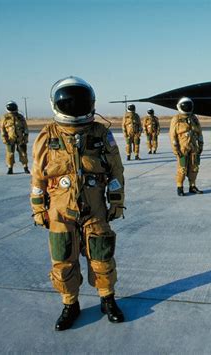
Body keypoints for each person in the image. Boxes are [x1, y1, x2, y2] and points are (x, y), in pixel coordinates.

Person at [30, 76, 125, 331]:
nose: (74, 106)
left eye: (79, 102)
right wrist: (39, 207)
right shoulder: (47, 135)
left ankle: (108, 299)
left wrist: (116, 202)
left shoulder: (100, 133)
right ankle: (70, 304)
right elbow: (38, 177)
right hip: (60, 210)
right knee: (63, 260)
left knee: (102, 256)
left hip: (94, 208)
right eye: (69, 102)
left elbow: (116, 172)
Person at [169, 97, 204, 196]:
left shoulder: (194, 118)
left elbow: (199, 133)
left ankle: (192, 186)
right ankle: (180, 187)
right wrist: (176, 150)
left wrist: (201, 145)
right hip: (182, 148)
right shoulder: (176, 119)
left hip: (194, 147)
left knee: (194, 167)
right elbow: (172, 135)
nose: (187, 107)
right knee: (182, 168)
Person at [0, 101, 30, 174]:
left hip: (20, 138)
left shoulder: (20, 117)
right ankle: (10, 168)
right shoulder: (5, 118)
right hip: (10, 139)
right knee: (10, 154)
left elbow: (26, 129)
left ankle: (25, 167)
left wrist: (25, 139)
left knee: (23, 153)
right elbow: (2, 129)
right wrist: (5, 139)